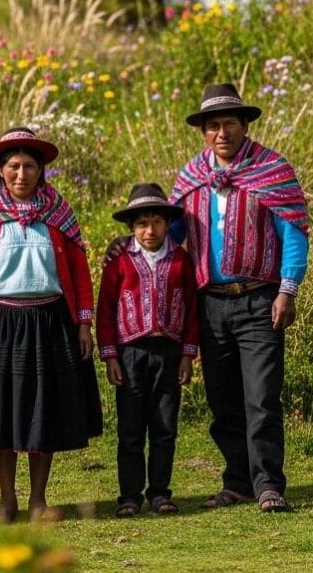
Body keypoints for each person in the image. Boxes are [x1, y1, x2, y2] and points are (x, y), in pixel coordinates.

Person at [0, 126, 102, 523]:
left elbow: (79, 273)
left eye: (30, 166)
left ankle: (38, 498)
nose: (22, 174)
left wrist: (83, 324)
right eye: (13, 166)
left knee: (42, 414)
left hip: (50, 323)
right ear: (0, 170)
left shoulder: (58, 214)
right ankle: (6, 499)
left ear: (41, 170)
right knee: (1, 415)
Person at [172, 82, 309, 514]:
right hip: (210, 304)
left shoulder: (272, 169)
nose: (222, 132)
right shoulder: (191, 177)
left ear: (244, 125)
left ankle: (269, 484)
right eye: (213, 125)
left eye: (230, 123)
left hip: (259, 300)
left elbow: (294, 233)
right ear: (203, 132)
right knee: (223, 399)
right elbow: (173, 235)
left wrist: (288, 289)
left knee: (262, 396)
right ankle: (237, 481)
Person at [96, 183, 199, 518]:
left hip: (169, 351)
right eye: (142, 223)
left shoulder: (182, 260)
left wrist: (187, 354)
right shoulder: (119, 262)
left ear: (168, 224)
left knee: (165, 426)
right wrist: (110, 355)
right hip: (130, 353)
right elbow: (106, 309)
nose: (149, 229)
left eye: (156, 222)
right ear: (131, 227)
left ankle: (159, 493)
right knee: (130, 429)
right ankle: (128, 496)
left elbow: (193, 309)